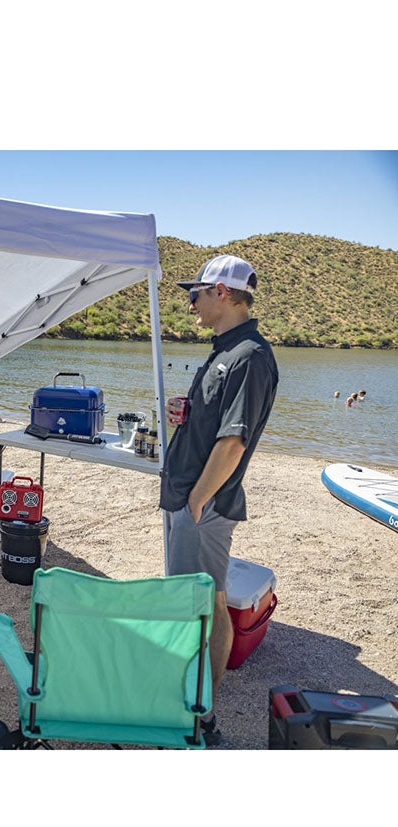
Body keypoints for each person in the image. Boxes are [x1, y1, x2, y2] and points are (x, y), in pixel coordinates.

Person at [160, 255, 278, 747]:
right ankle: (188, 695)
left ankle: (201, 712)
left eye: (198, 293)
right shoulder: (225, 351)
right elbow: (216, 426)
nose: (191, 303)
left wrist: (198, 501)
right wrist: (184, 417)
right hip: (189, 498)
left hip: (202, 506)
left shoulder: (249, 356)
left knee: (206, 606)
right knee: (194, 603)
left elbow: (233, 443)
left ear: (223, 294)